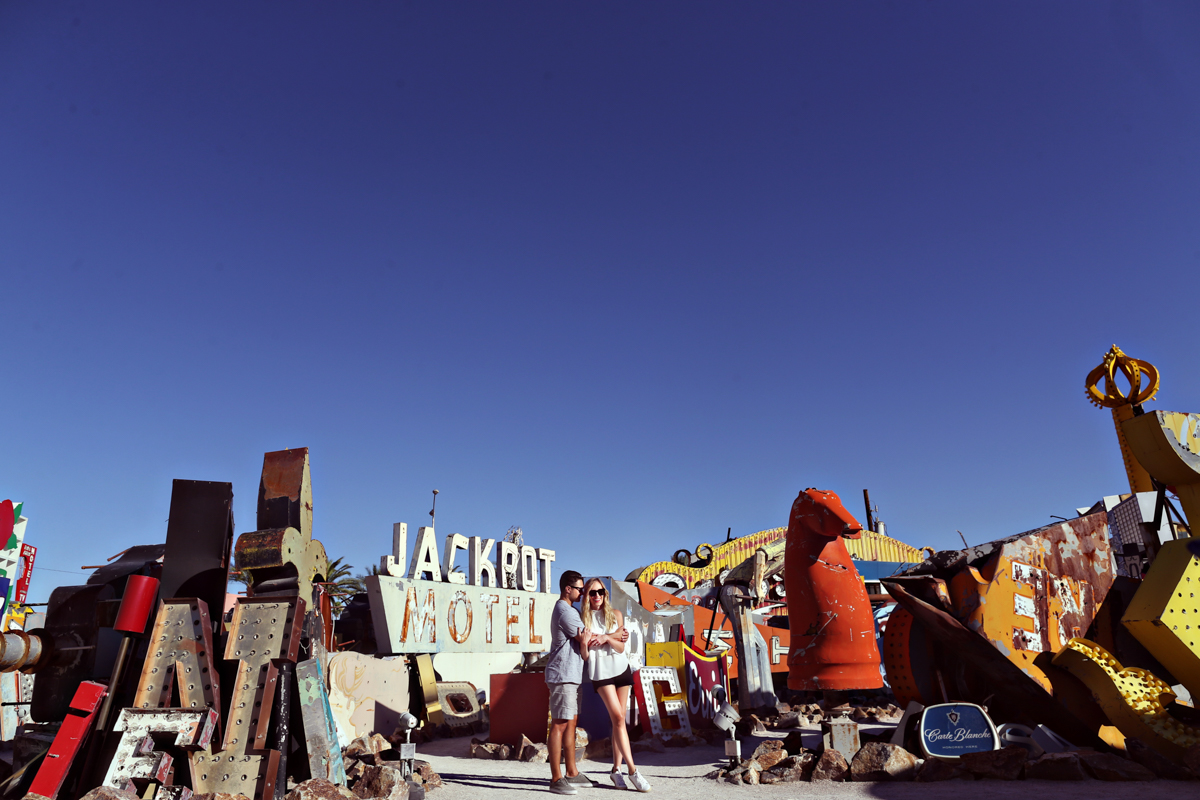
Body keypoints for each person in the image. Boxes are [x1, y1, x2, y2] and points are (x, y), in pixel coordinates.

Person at [581, 577, 651, 792]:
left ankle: (615, 770)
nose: (597, 596)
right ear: (586, 596)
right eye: (592, 593)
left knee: (618, 722)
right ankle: (633, 771)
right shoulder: (583, 619)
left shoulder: (616, 615)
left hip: (621, 669)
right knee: (619, 718)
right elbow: (585, 655)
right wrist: (587, 642)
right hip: (600, 673)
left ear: (605, 594)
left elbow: (621, 648)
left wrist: (605, 638)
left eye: (600, 592)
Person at [546, 570, 593, 795]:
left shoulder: (570, 609)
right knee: (560, 724)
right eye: (580, 589)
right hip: (563, 675)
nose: (582, 593)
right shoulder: (564, 611)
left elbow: (585, 641)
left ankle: (572, 772)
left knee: (571, 724)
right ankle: (556, 778)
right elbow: (587, 638)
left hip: (571, 675)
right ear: (568, 589)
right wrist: (614, 636)